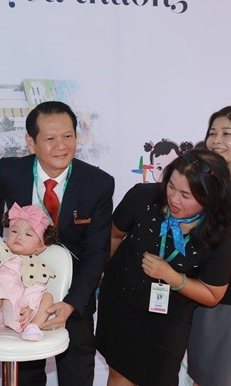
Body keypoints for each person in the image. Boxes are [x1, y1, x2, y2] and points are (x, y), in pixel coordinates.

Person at [0, 100, 114, 386]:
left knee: (77, 366)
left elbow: (96, 253)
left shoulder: (98, 184)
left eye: (68, 136)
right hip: (23, 286)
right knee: (28, 369)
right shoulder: (10, 171)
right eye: (50, 138)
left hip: (74, 287)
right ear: (31, 142)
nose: (61, 146)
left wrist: (71, 304)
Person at [96, 149, 231, 386]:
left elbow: (213, 294)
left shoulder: (221, 233)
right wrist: (98, 276)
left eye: (186, 195)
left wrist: (171, 276)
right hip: (121, 301)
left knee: (159, 378)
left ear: (210, 198)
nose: (174, 199)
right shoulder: (143, 197)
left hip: (168, 318)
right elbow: (114, 237)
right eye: (171, 187)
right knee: (118, 373)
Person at [0, 204, 59, 344]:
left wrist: (29, 306)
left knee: (47, 296)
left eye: (28, 234)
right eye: (14, 231)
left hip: (20, 312)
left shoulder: (37, 265)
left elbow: (36, 288)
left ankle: (34, 327)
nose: (19, 237)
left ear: (40, 246)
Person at [187, 106, 231, 386]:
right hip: (210, 299)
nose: (216, 140)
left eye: (227, 133)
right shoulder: (203, 185)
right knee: (206, 377)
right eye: (212, 132)